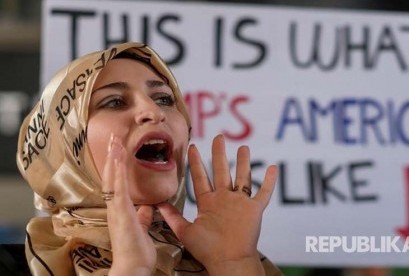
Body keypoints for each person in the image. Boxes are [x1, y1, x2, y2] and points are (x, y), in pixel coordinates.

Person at [16, 42, 282, 275]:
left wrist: (234, 264)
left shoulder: (233, 257)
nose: (153, 111)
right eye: (114, 102)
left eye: (165, 98)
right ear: (64, 147)